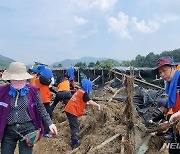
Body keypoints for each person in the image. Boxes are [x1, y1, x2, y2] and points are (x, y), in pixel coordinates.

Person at [0, 62, 57, 154]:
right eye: (15, 79)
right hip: (9, 130)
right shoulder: (2, 92)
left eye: (21, 79)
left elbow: (41, 108)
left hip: (28, 130)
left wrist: (50, 124)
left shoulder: (33, 91)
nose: (19, 81)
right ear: (9, 79)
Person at [153, 56, 180, 153]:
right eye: (160, 73)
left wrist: (175, 116)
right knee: (173, 149)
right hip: (178, 126)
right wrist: (169, 122)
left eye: (164, 70)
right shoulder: (170, 85)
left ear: (173, 67)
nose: (162, 75)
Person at [64, 78, 100, 149]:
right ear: (88, 86)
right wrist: (98, 105)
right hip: (72, 110)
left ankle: (74, 139)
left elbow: (83, 100)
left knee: (74, 125)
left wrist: (86, 103)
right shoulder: (84, 93)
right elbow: (89, 101)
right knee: (75, 127)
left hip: (69, 109)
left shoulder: (80, 91)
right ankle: (74, 144)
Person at [35, 68, 54, 137]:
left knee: (42, 115)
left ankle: (41, 129)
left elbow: (45, 88)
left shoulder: (39, 79)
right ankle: (45, 132)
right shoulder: (42, 78)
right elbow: (49, 82)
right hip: (44, 100)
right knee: (48, 115)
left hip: (42, 99)